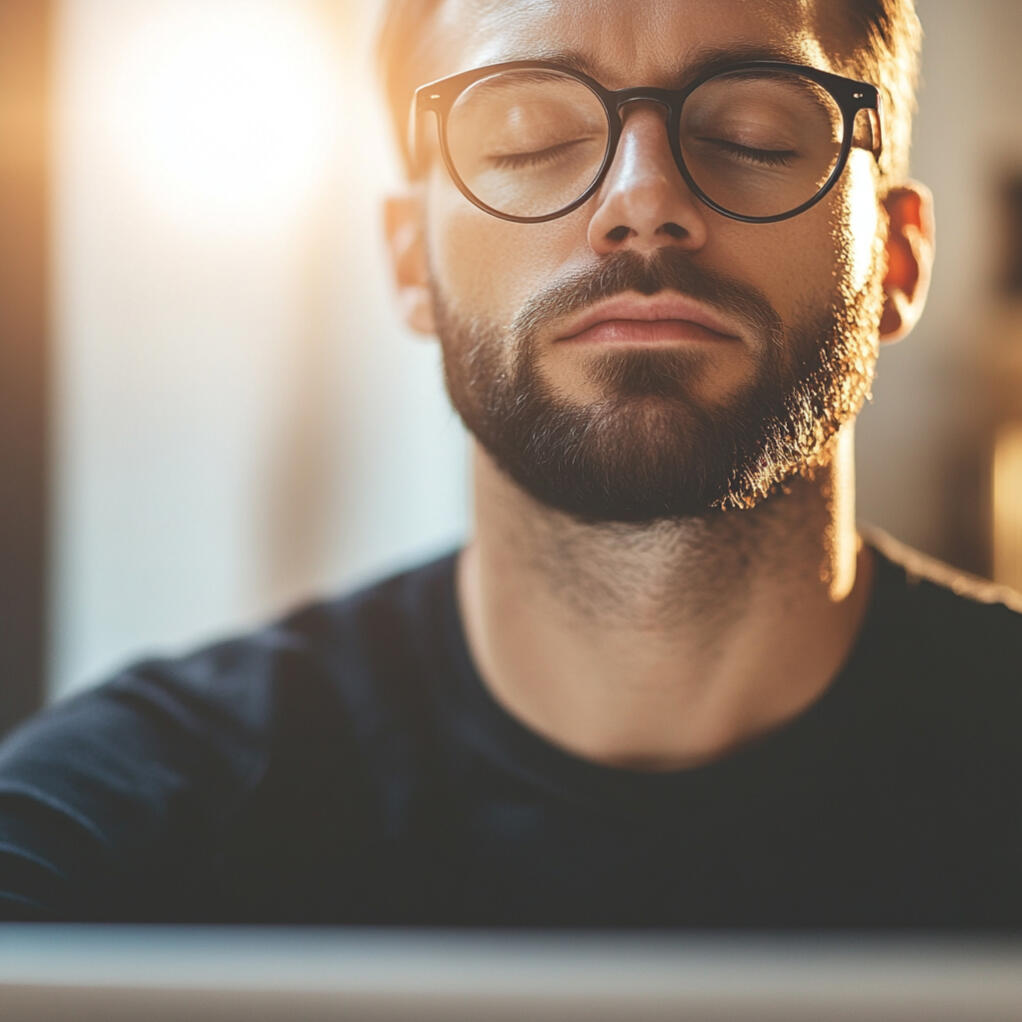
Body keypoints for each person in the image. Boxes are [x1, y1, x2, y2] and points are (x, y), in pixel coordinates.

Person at [1, 0, 1019, 927]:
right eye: (531, 138)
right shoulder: (110, 828)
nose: (642, 197)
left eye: (746, 132)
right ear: (411, 261)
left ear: (892, 258)